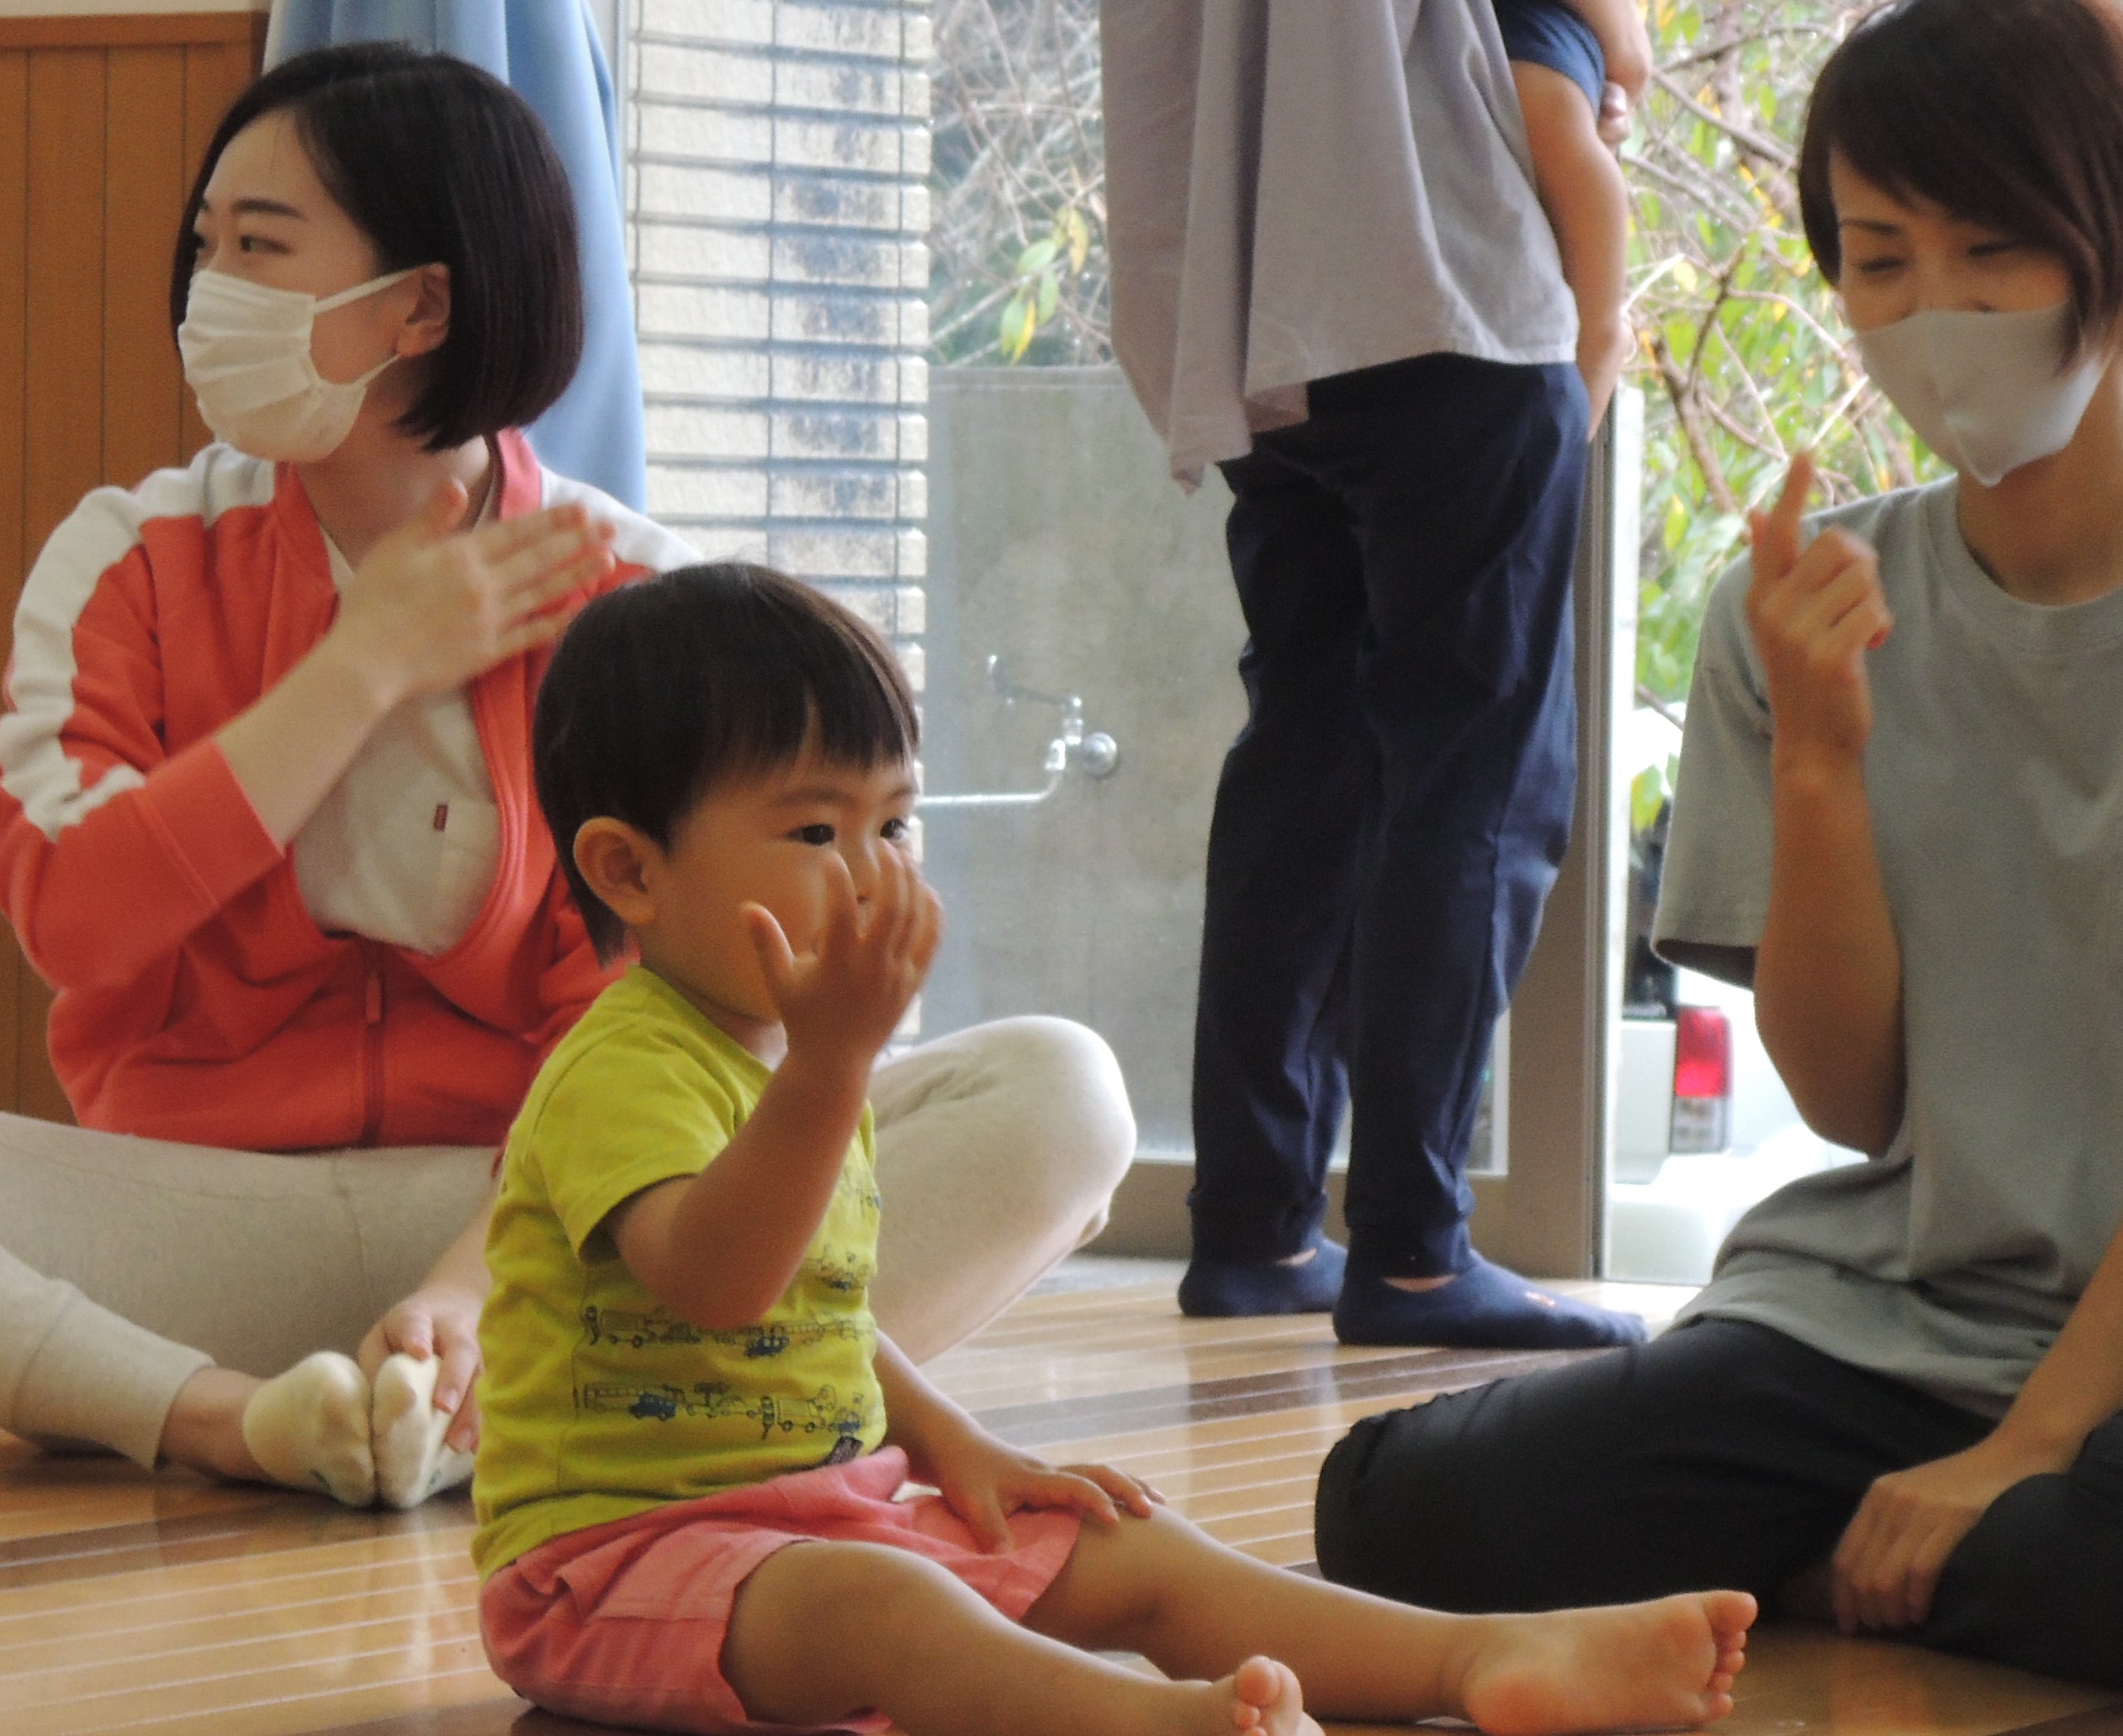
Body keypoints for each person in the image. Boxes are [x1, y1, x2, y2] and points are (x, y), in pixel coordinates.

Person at [0, 45, 1134, 1512]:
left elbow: (681, 1013)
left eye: (259, 248)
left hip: (563, 1224)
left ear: (422, 305)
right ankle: (236, 1423)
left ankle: (484, 1406)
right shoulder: (127, 557)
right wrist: (362, 670)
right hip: (192, 1224)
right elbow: (73, 919)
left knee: (1061, 1095)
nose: (209, 291)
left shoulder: (635, 598)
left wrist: (471, 1284)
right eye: (204, 247)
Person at [1312, 0, 2123, 1701]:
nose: (1933, 315)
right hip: (1877, 1325)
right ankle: (1909, 1545)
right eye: (1880, 260)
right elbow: (1849, 1102)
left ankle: (1843, 1549)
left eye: (1993, 251)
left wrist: (2031, 1441)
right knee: (1405, 1514)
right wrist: (1823, 762)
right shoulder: (1794, 607)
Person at [471, 561, 1757, 1736]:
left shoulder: (798, 1059)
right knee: (891, 1612)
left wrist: (958, 1446)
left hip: (816, 1526)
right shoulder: (626, 1071)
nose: (873, 877)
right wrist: (828, 1068)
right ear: (629, 872)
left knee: (1135, 1548)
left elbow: (822, 1318)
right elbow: (720, 1286)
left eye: (895, 825)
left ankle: (1477, 1659)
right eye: (816, 833)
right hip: (612, 1567)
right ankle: (1160, 1726)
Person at [1102, 0, 1655, 1349]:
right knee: (1481, 778)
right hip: (1450, 302)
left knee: (1306, 763)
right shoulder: (1537, 40)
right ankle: (1414, 1252)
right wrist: (1587, 356)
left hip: (1262, 302)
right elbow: (1568, 122)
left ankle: (1255, 1225)